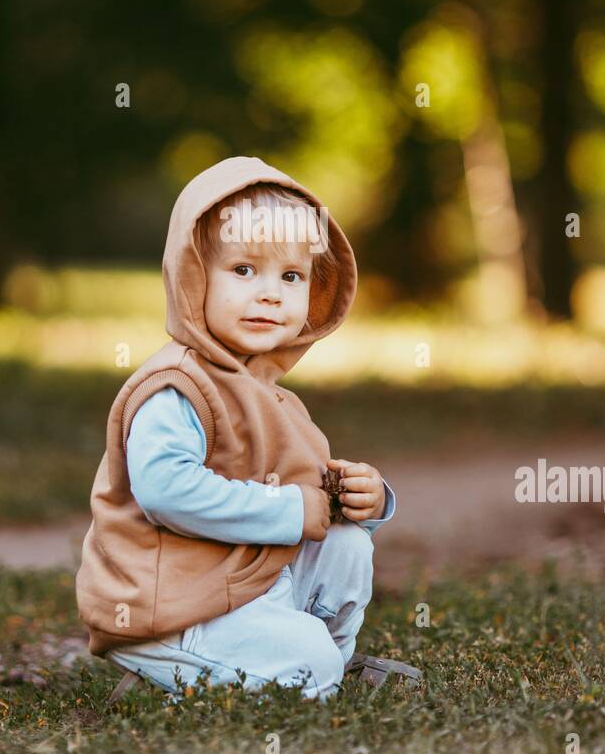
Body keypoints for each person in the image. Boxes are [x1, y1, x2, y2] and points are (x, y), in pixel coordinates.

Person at [75, 155, 396, 701]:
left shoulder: (271, 397)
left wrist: (366, 499)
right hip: (170, 605)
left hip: (238, 584)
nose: (270, 293)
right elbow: (165, 492)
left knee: (346, 544)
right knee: (308, 664)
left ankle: (317, 666)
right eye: (244, 270)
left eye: (290, 276)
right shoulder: (177, 387)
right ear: (193, 275)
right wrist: (291, 508)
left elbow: (312, 495)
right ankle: (209, 672)